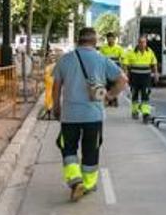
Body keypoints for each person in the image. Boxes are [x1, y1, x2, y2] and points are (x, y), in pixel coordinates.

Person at [52, 27, 128, 201]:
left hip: (70, 115)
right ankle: (87, 184)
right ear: (95, 42)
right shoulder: (102, 59)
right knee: (91, 150)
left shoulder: (65, 59)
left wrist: (56, 107)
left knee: (67, 147)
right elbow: (123, 80)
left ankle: (74, 179)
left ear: (78, 40)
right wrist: (109, 96)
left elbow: (56, 87)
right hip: (94, 116)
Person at [123, 35, 158, 122]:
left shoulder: (150, 52)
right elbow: (125, 64)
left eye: (144, 42)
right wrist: (126, 74)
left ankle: (145, 114)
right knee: (134, 95)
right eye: (140, 42)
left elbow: (154, 63)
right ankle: (135, 111)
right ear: (138, 43)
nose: (142, 44)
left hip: (146, 78)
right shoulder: (131, 53)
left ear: (146, 43)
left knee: (145, 96)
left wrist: (156, 74)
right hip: (135, 78)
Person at [99, 33, 126, 107]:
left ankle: (114, 100)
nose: (110, 40)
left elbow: (123, 59)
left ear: (114, 39)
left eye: (111, 39)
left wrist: (123, 70)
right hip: (106, 70)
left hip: (115, 69)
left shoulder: (119, 48)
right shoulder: (103, 48)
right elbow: (100, 59)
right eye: (108, 39)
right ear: (107, 39)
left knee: (115, 85)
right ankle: (108, 100)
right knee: (106, 85)